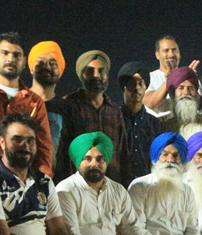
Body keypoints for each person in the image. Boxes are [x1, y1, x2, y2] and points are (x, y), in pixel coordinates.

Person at [0, 32, 53, 175]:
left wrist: (42, 179)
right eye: (5, 53)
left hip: (21, 178)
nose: (11, 59)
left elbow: (43, 147)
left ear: (24, 61)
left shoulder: (34, 101)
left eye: (16, 55)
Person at [65, 50, 128, 185]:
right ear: (82, 75)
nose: (96, 75)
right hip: (77, 187)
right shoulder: (68, 105)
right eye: (90, 71)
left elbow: (122, 152)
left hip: (110, 186)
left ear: (107, 76)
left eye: (101, 71)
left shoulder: (114, 111)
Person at [26, 40, 78, 181]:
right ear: (31, 68)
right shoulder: (18, 102)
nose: (47, 67)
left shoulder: (69, 108)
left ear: (59, 70)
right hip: (21, 182)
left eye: (53, 63)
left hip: (58, 184)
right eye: (41, 62)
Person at [117, 61, 160, 184]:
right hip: (119, 187)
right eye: (131, 84)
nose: (137, 88)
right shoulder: (114, 120)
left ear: (146, 87)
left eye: (141, 83)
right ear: (124, 87)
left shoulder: (154, 124)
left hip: (147, 187)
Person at [142, 34, 188, 119]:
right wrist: (168, 81)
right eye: (166, 51)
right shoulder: (149, 77)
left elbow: (199, 105)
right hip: (158, 126)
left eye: (174, 50)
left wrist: (192, 82)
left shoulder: (188, 77)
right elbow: (150, 103)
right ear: (157, 55)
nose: (171, 54)